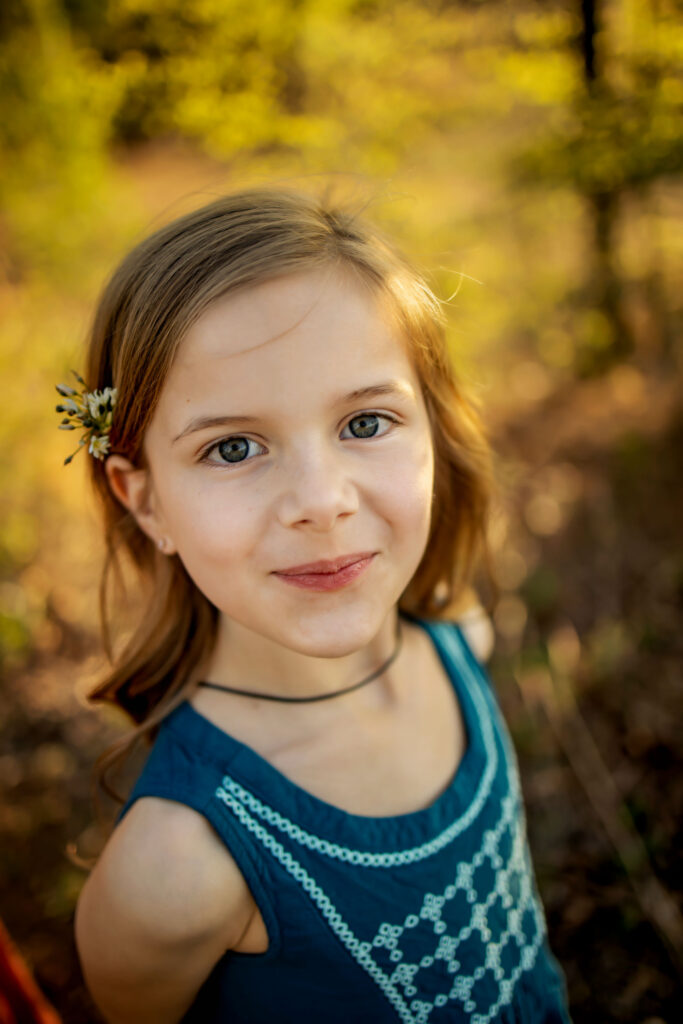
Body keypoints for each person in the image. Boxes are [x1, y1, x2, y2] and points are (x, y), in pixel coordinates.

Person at [64, 188, 571, 1023]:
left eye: (366, 423)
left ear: (432, 436)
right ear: (144, 499)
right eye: (233, 447)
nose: (320, 501)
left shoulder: (456, 641)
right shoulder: (175, 873)